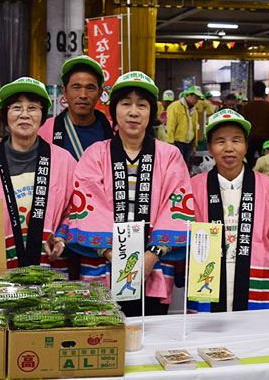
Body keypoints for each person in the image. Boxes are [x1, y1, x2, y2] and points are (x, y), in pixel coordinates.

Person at [66, 71, 193, 317]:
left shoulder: (170, 156)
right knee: (104, 334)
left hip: (153, 265)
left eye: (142, 105)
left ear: (151, 114)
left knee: (152, 334)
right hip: (105, 263)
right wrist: (113, 254)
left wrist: (152, 254)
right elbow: (87, 205)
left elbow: (175, 206)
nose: (133, 112)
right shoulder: (95, 154)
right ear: (114, 111)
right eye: (126, 104)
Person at [0, 77, 76, 270]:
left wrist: (62, 238)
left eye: (32, 108)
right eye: (16, 107)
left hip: (53, 271)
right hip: (0, 273)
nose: (24, 115)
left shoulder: (64, 161)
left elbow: (76, 211)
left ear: (42, 115)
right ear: (4, 115)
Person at [188, 109, 269, 313]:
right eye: (220, 141)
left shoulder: (267, 186)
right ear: (209, 147)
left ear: (246, 146)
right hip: (207, 278)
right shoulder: (194, 186)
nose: (228, 149)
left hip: (257, 278)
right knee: (208, 340)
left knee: (254, 338)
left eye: (236, 141)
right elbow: (184, 234)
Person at [38, 55, 114, 161]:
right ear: (64, 91)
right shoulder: (43, 130)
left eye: (90, 88)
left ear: (100, 93)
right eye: (76, 87)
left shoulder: (115, 131)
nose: (83, 95)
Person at [242, 81, 269, 167]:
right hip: (265, 140)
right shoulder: (268, 106)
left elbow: (242, 125)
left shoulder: (247, 107)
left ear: (253, 92)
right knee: (265, 165)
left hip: (250, 140)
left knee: (248, 165)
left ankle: (249, 179)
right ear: (264, 92)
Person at [166, 85, 202, 166]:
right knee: (175, 167)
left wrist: (194, 145)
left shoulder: (193, 110)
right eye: (196, 97)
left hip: (188, 144)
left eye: (198, 98)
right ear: (189, 95)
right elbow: (170, 126)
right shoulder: (175, 106)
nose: (197, 100)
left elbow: (194, 128)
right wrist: (171, 143)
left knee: (184, 167)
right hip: (177, 143)